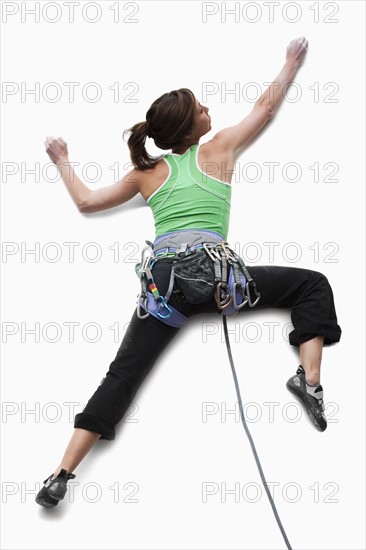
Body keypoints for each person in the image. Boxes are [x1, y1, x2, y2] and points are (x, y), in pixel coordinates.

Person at [36, 36, 341, 508]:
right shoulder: (217, 149)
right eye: (201, 106)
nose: (208, 108)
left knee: (123, 374)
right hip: (216, 280)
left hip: (166, 287)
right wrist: (289, 63)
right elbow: (264, 108)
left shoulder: (147, 173)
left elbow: (86, 202)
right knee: (311, 284)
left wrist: (62, 162)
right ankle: (311, 380)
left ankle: (60, 473)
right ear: (190, 126)